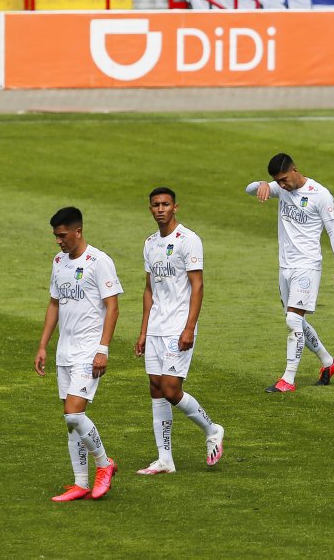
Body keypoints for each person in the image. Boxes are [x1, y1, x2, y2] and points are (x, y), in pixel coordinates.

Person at [134, 187, 224, 475]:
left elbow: (197, 286)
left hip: (178, 328)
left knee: (172, 389)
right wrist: (143, 331)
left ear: (176, 207)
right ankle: (165, 459)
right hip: (157, 328)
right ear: (150, 209)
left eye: (165, 204)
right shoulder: (149, 243)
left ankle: (212, 429)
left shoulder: (189, 240)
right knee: (156, 389)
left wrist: (189, 327)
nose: (160, 209)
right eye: (155, 205)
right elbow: (149, 290)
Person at [35, 207, 122, 502]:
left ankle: (105, 463)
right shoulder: (58, 261)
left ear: (78, 231)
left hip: (89, 350)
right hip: (65, 351)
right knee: (70, 421)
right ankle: (80, 483)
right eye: (56, 236)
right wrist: (43, 345)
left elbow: (113, 307)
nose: (58, 241)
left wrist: (103, 349)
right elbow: (54, 304)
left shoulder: (99, 261)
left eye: (62, 235)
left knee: (74, 413)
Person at [246, 153, 334, 393]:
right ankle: (328, 362)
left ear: (294, 170)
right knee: (297, 321)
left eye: (283, 179)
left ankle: (288, 380)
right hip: (285, 267)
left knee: (293, 320)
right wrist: (261, 184)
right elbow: (249, 189)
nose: (281, 185)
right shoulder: (281, 189)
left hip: (307, 265)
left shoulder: (320, 195)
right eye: (277, 182)